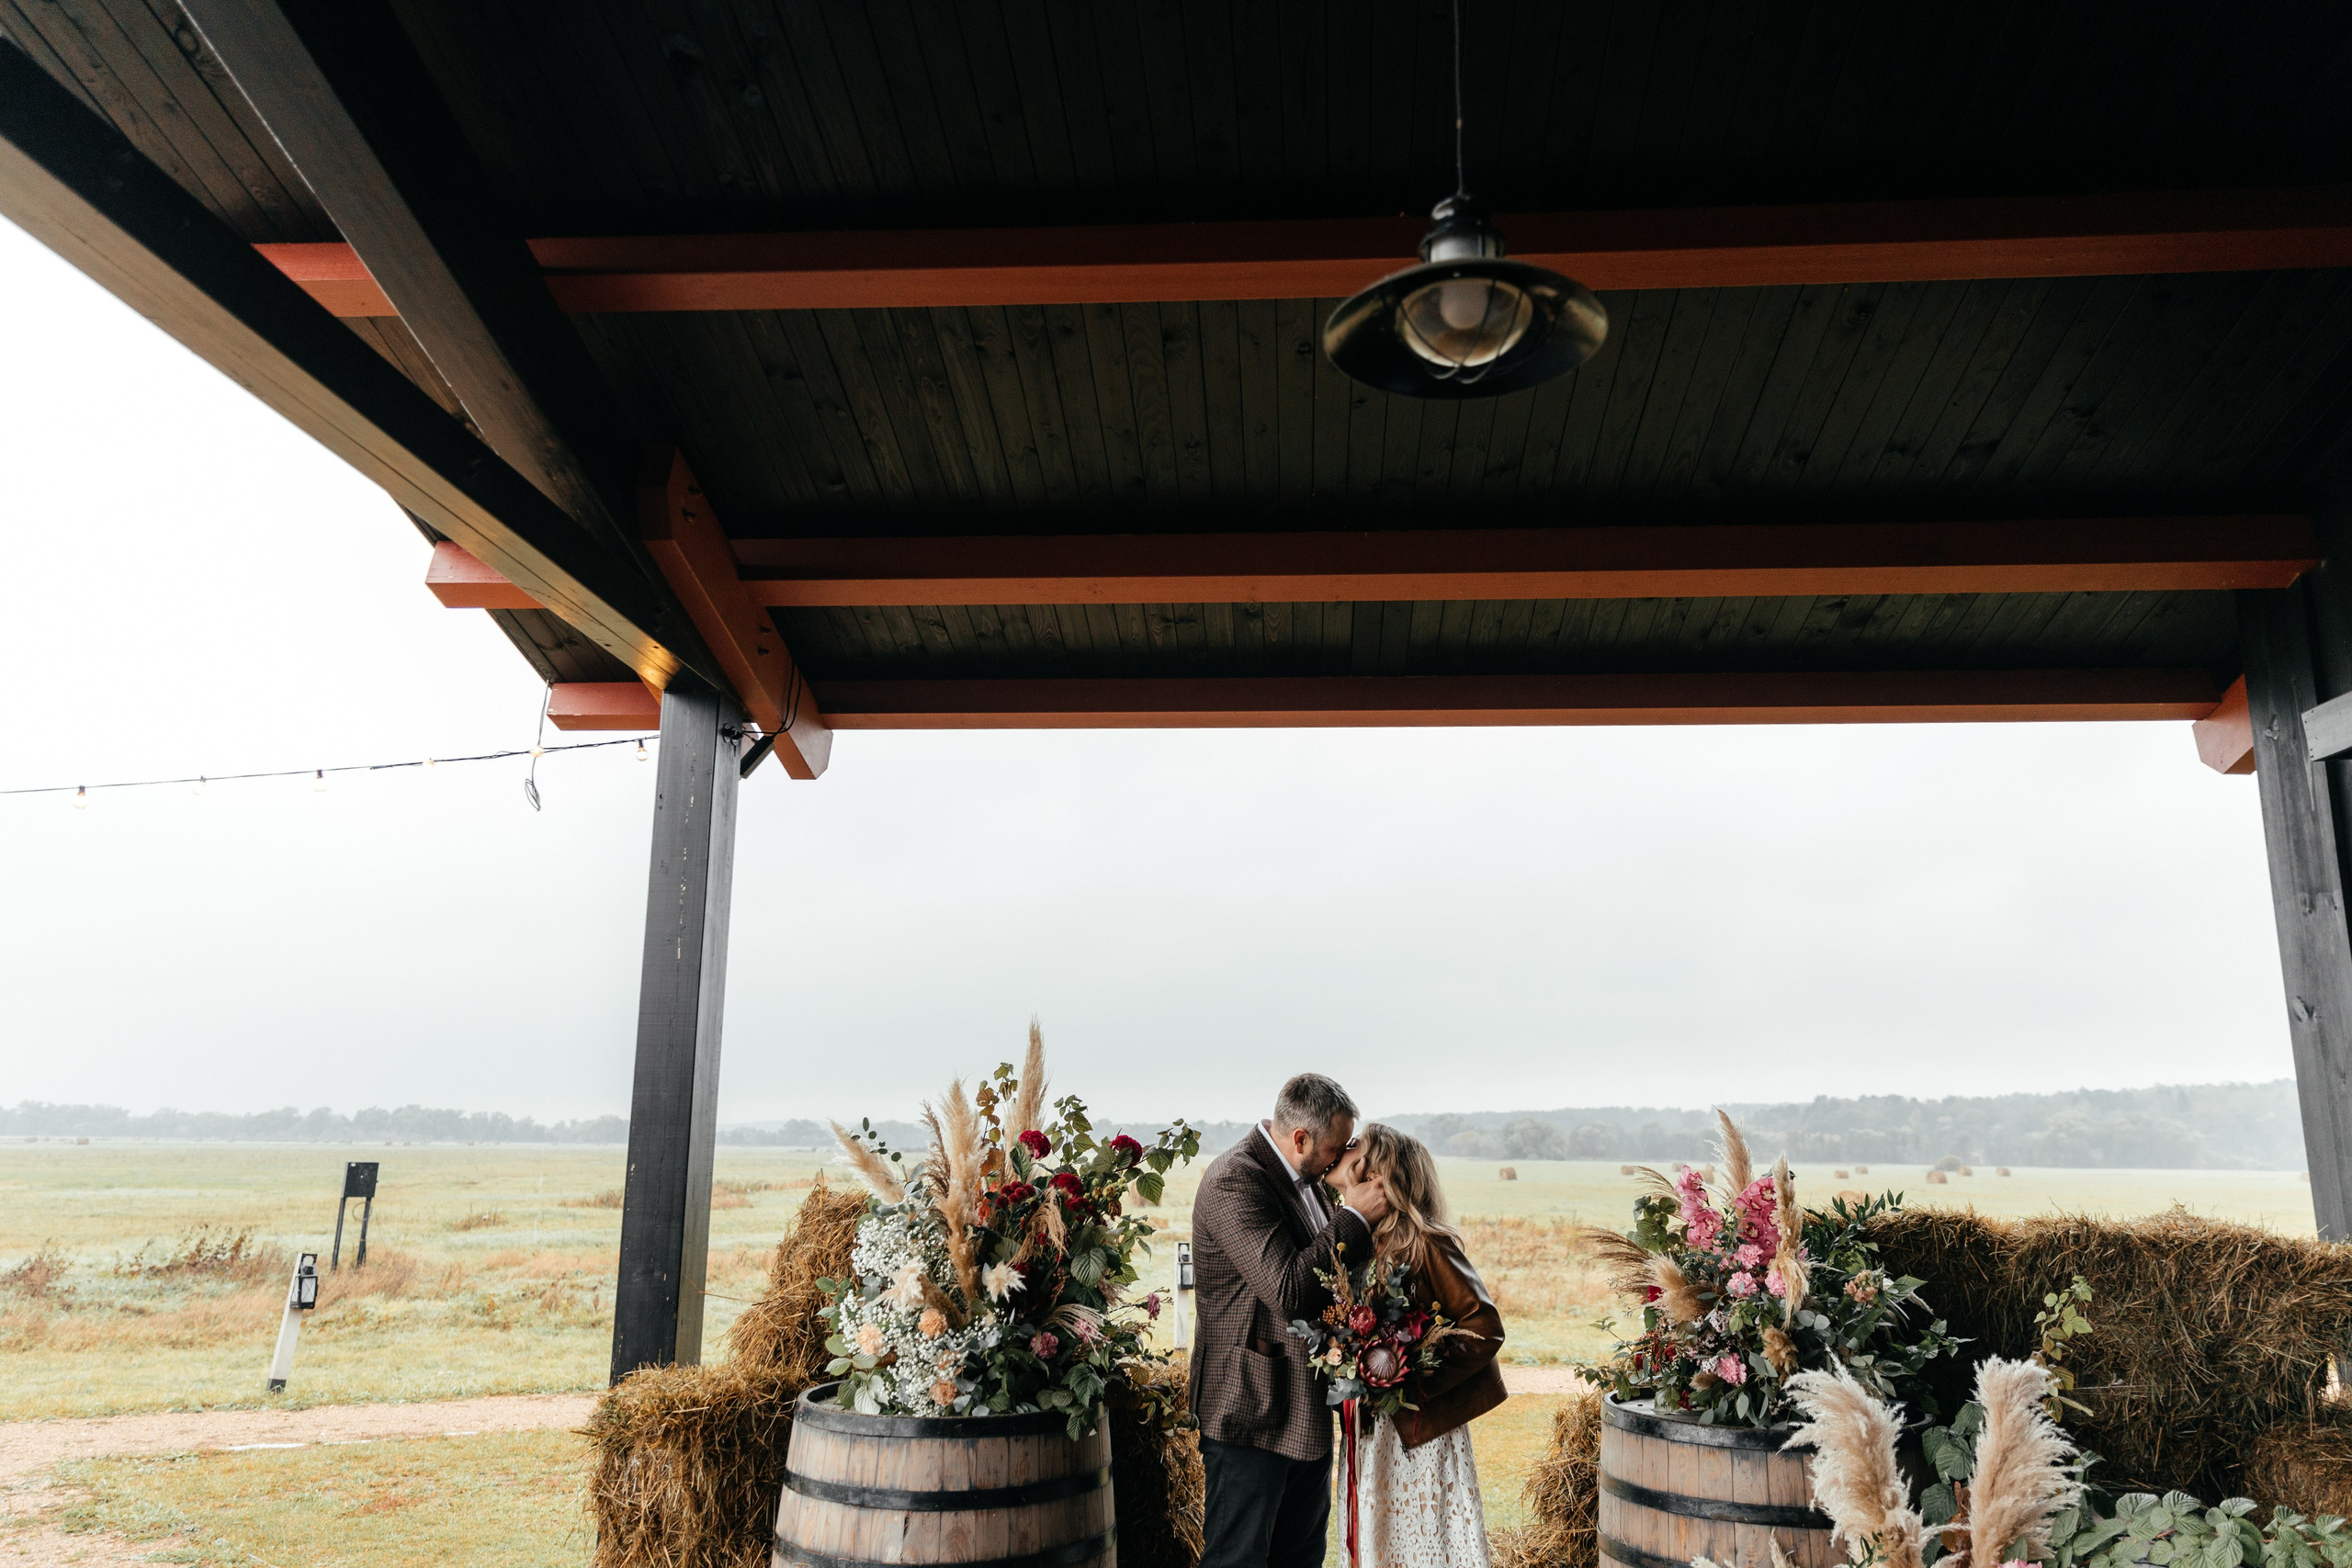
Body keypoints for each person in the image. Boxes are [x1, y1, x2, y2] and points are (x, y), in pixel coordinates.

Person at [1190, 1074, 1391, 1568]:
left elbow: (1330, 1279)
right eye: (1333, 1148)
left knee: (1300, 1557)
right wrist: (1356, 1219)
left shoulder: (1312, 1181)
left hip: (1303, 1408)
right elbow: (1289, 1291)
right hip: (1249, 1409)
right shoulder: (1235, 1179)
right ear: (1299, 1139)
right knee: (1238, 1559)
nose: (1338, 1159)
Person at [1329, 1122, 1507, 1567]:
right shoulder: (1359, 1241)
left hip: (1419, 1435)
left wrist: (1411, 1380)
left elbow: (1485, 1326)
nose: (1347, 1152)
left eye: (1358, 1149)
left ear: (1379, 1177)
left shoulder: (1428, 1243)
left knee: (1423, 1548)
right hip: (1371, 1436)